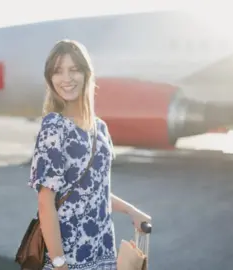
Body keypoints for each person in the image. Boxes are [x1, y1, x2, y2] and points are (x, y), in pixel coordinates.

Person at [28, 39, 152, 270]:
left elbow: (94, 189)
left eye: (74, 70)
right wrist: (58, 262)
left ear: (86, 74)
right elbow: (46, 201)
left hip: (103, 250)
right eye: (58, 71)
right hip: (70, 255)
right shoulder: (54, 126)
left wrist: (131, 211)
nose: (66, 78)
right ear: (50, 79)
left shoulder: (100, 128)